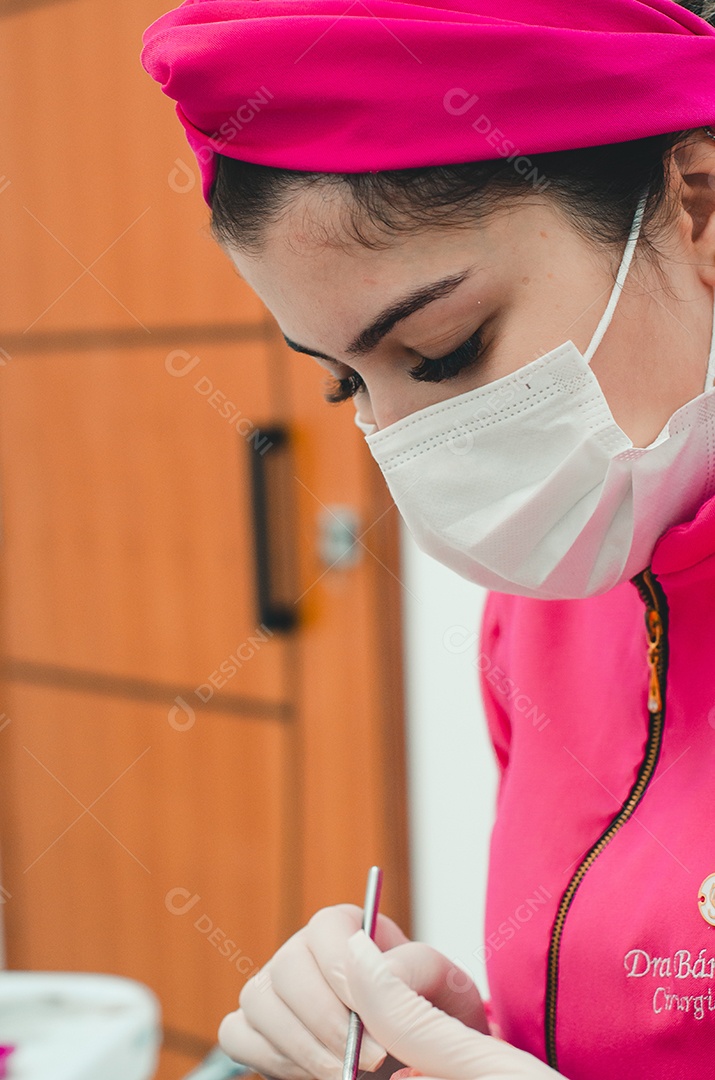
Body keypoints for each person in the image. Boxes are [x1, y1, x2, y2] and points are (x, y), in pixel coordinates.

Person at [141, 1, 715, 1076]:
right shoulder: (544, 611)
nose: (408, 450)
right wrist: (449, 1038)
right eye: (345, 383)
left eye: (444, 351)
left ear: (697, 203)